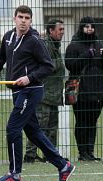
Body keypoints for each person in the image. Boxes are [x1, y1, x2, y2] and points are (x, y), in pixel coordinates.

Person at [0, 5, 75, 181]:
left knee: (13, 128)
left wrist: (28, 78)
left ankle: (14, 174)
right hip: (17, 92)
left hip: (30, 91)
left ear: (31, 21)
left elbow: (48, 66)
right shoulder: (8, 37)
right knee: (34, 132)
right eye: (20, 17)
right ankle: (63, 165)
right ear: (14, 18)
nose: (23, 20)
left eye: (27, 18)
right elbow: (0, 60)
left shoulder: (34, 40)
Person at [64, 16, 103, 161]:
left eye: (92, 27)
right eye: (86, 26)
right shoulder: (74, 45)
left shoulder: (99, 44)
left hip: (98, 91)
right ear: (81, 28)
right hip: (81, 91)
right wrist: (86, 55)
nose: (89, 29)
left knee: (92, 121)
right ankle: (82, 152)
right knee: (82, 121)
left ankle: (90, 152)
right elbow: (70, 65)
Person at [24, 19, 66, 163]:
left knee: (52, 128)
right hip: (44, 94)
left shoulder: (55, 45)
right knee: (39, 126)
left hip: (54, 95)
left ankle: (50, 155)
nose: (62, 32)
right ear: (51, 31)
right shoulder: (46, 45)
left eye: (63, 29)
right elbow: (47, 67)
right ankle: (30, 155)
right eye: (60, 29)